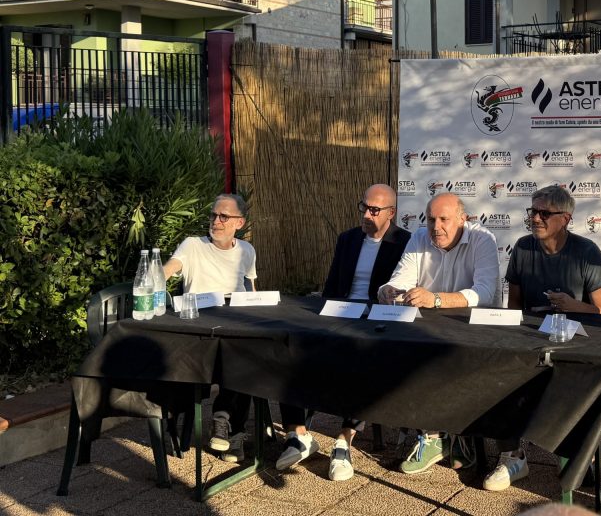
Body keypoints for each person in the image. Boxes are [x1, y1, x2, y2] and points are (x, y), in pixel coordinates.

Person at [483, 185, 601, 492]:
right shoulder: (522, 247)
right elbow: (513, 308)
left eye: (545, 213)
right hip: (531, 339)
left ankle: (573, 452)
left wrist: (575, 306)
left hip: (576, 343)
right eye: (533, 211)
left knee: (574, 380)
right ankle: (512, 455)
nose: (536, 218)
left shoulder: (587, 252)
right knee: (497, 370)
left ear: (566, 218)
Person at [275, 184, 411, 480]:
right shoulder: (348, 239)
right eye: (364, 207)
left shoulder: (405, 242)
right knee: (292, 349)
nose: (367, 214)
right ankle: (298, 435)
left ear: (391, 213)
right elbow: (332, 286)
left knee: (364, 361)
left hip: (377, 318)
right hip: (341, 313)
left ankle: (343, 441)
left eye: (375, 210)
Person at [377, 192, 499, 475]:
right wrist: (388, 290)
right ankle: (434, 436)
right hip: (429, 328)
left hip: (475, 328)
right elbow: (400, 280)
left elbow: (485, 292)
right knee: (401, 353)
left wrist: (438, 299)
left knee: (450, 361)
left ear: (462, 219)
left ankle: (455, 435)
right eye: (431, 219)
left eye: (444, 219)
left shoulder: (483, 240)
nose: (436, 227)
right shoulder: (420, 237)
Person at [163, 193, 256, 464]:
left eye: (224, 216)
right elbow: (171, 268)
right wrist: (155, 276)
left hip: (237, 323)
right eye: (214, 215)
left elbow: (251, 290)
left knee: (253, 354)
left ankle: (227, 425)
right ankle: (228, 424)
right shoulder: (193, 245)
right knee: (242, 358)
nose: (216, 221)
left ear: (239, 223)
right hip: (202, 328)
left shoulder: (247, 251)